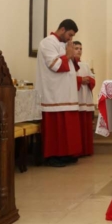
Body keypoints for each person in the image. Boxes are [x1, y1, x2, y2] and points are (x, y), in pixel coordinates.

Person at [36, 19, 82, 168]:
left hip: (66, 91)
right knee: (56, 126)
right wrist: (68, 55)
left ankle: (67, 153)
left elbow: (71, 65)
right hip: (54, 92)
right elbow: (54, 65)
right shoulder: (47, 43)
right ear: (62, 29)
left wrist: (71, 56)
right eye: (70, 34)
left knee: (67, 125)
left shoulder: (64, 44)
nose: (70, 39)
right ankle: (54, 155)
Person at [74, 41, 95, 157]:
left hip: (85, 97)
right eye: (76, 48)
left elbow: (93, 80)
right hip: (76, 97)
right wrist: (80, 80)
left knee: (85, 126)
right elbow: (67, 81)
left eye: (80, 48)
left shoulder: (85, 65)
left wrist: (88, 80)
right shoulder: (70, 65)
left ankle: (86, 149)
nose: (79, 50)